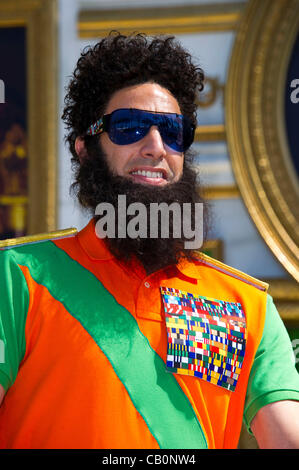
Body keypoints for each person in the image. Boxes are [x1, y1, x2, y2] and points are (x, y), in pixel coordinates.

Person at [0, 32, 298, 450]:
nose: (156, 147)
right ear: (85, 149)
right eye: (130, 127)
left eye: (173, 131)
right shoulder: (15, 279)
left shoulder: (247, 305)